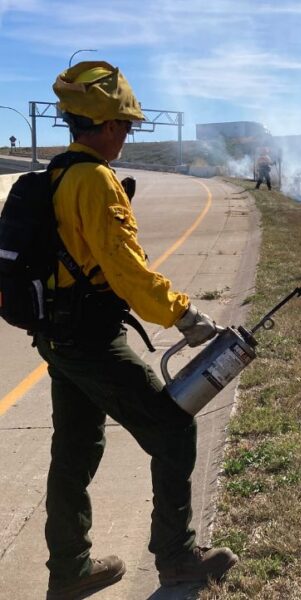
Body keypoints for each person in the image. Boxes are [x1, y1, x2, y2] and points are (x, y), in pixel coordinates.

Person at [39, 61, 238, 599]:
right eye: (124, 126)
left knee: (75, 447)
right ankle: (177, 557)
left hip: (57, 337)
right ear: (105, 126)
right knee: (173, 429)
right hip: (89, 340)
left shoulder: (56, 173)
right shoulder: (95, 180)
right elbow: (126, 269)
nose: (125, 136)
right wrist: (185, 316)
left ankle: (69, 569)